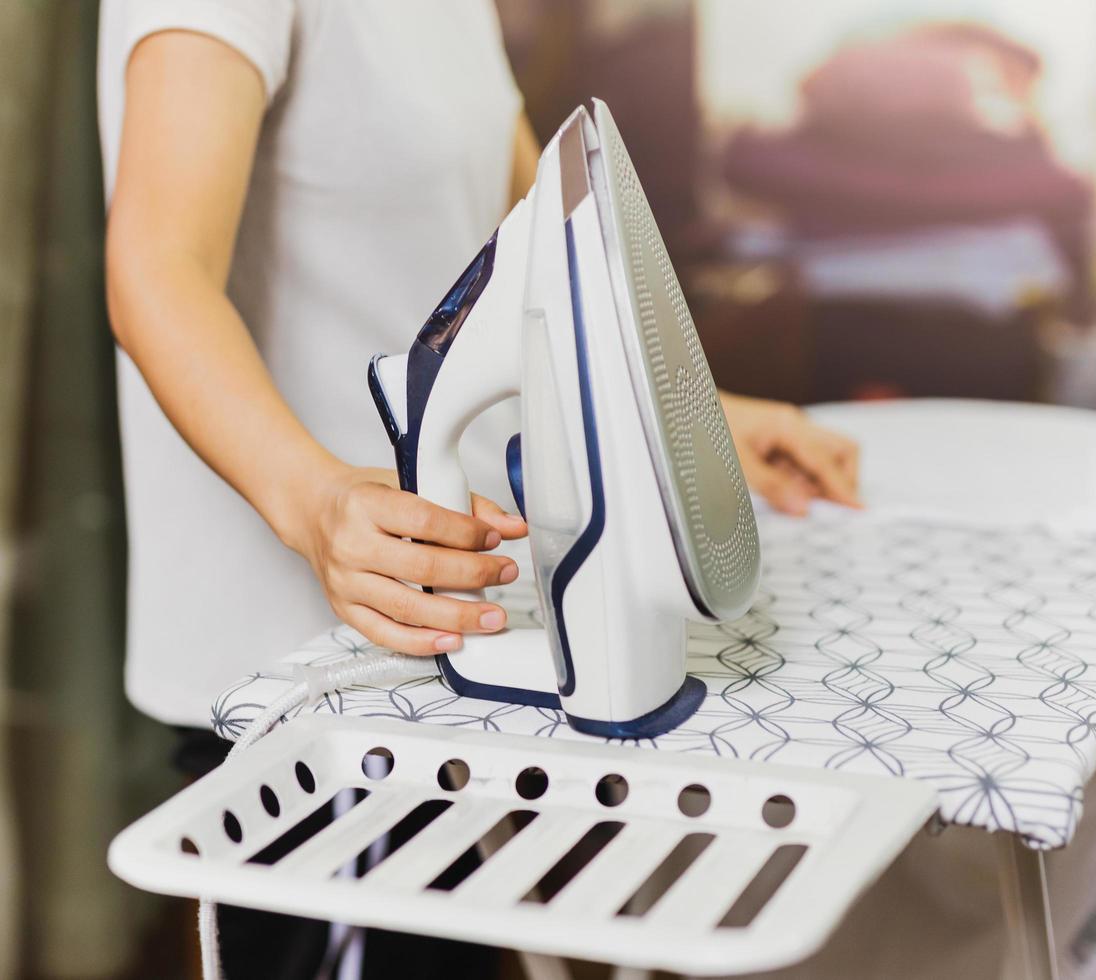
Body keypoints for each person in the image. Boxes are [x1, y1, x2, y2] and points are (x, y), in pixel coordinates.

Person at [98, 2, 859, 976]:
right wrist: (315, 499)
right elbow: (156, 267)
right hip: (306, 673)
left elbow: (532, 236)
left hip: (458, 636)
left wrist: (691, 412)